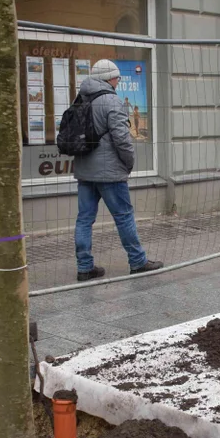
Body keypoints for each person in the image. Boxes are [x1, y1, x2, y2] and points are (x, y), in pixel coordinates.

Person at [72, 59, 162, 281]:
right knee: (124, 217)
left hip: (84, 170)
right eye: (117, 78)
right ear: (109, 78)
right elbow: (122, 139)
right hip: (110, 173)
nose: (118, 81)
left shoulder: (80, 98)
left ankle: (84, 267)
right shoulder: (112, 101)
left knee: (84, 219)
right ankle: (138, 261)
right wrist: (128, 163)